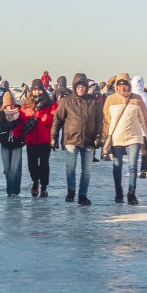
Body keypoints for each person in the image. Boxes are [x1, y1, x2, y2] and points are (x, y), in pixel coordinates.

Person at [50, 73, 103, 205]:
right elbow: (58, 120)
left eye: (83, 86)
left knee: (87, 170)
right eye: (78, 86)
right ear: (74, 87)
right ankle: (71, 191)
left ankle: (82, 195)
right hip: (71, 139)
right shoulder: (66, 101)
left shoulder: (94, 102)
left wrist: (98, 136)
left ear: (86, 87)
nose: (80, 89)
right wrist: (53, 136)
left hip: (89, 140)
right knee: (70, 167)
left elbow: (99, 121)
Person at [103, 74, 147, 205]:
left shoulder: (137, 99)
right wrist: (104, 138)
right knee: (117, 166)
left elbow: (145, 120)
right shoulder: (110, 100)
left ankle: (131, 193)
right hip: (116, 139)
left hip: (134, 138)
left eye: (124, 85)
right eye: (119, 86)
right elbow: (106, 121)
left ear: (129, 86)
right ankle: (118, 193)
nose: (122, 88)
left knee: (132, 166)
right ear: (116, 86)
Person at [20, 79, 58, 197]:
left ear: (43, 90)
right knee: (32, 165)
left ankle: (44, 186)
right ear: (32, 91)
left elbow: (54, 120)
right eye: (34, 90)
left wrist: (42, 116)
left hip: (44, 140)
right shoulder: (27, 104)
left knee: (44, 164)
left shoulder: (50, 104)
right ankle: (35, 182)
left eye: (39, 89)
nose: (37, 92)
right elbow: (22, 119)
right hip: (31, 140)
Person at [0, 89, 27, 197]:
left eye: (12, 104)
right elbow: (4, 127)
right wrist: (15, 122)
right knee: (7, 169)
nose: (11, 106)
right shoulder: (2, 114)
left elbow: (23, 127)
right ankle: (11, 189)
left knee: (15, 169)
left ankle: (13, 191)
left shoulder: (20, 113)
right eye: (8, 105)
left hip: (17, 143)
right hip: (5, 144)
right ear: (5, 105)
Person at [131, 75, 147, 179]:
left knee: (133, 151)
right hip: (144, 128)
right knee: (144, 150)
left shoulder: (130, 96)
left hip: (133, 128)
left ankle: (132, 169)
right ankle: (144, 170)